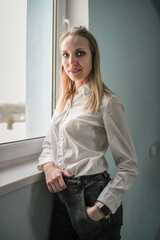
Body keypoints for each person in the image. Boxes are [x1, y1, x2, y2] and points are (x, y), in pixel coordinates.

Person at [38, 26, 138, 240]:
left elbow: (129, 166)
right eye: (66, 54)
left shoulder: (108, 102)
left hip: (93, 196)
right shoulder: (65, 100)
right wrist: (48, 167)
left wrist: (100, 208)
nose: (71, 61)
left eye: (80, 53)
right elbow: (49, 144)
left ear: (93, 57)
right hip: (61, 197)